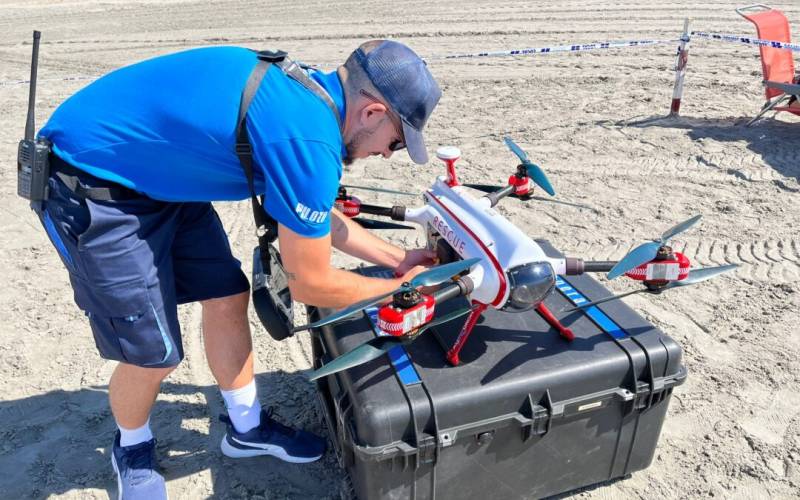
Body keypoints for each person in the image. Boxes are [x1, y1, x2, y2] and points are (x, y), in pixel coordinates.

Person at [35, 39, 441, 499]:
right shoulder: (307, 138)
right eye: (396, 141)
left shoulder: (307, 98)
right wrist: (398, 290)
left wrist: (396, 260)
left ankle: (245, 429)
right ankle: (131, 447)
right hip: (90, 180)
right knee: (152, 351)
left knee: (227, 293)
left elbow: (311, 210)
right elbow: (309, 282)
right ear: (372, 113)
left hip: (160, 174)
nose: (389, 154)